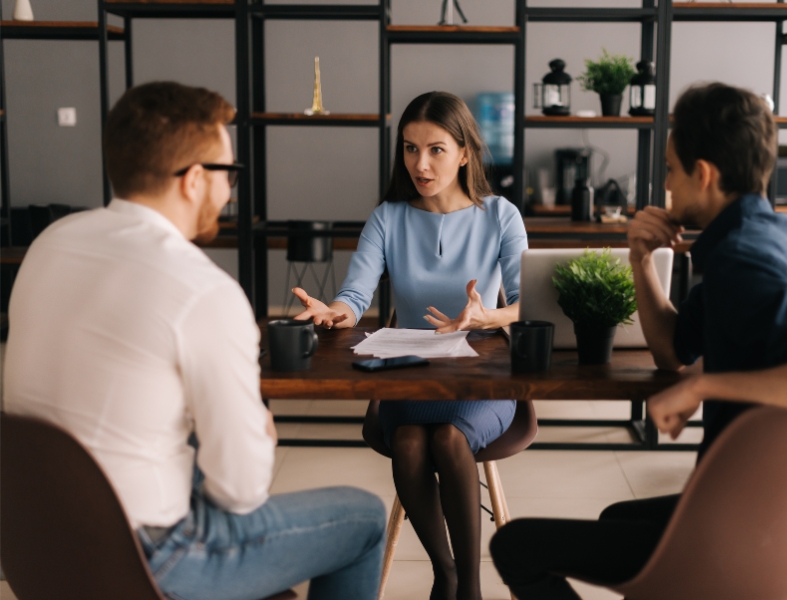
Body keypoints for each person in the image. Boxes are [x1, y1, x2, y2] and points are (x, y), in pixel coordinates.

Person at [489, 82, 787, 599]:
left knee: (515, 546)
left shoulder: (742, 259)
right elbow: (671, 351)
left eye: (671, 170)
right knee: (617, 517)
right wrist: (641, 261)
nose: (666, 185)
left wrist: (701, 388)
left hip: (737, 536)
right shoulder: (773, 237)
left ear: (705, 174)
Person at [4, 82, 385, 600]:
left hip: (34, 538)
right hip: (148, 557)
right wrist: (254, 426)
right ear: (195, 181)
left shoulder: (51, 244)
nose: (229, 193)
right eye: (228, 175)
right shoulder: (203, 291)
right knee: (363, 517)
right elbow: (242, 492)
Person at [293, 91, 528, 600]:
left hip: (480, 378)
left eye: (436, 149)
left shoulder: (500, 216)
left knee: (446, 437)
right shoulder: (388, 218)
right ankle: (444, 573)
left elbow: (530, 304)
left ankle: (469, 586)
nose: (420, 164)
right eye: (409, 148)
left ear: (465, 152)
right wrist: (335, 312)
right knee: (407, 439)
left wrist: (490, 315)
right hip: (407, 374)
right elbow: (355, 295)